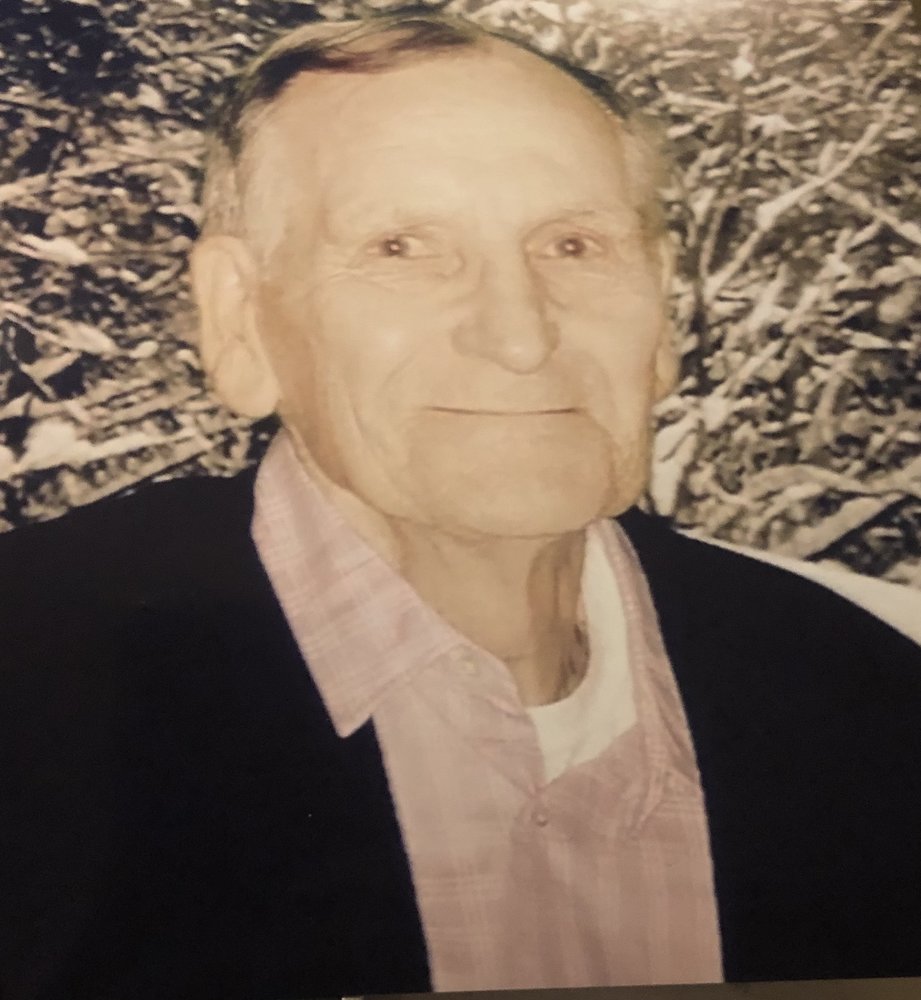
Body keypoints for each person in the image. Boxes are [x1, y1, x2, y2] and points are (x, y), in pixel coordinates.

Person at [2, 12, 921, 1000]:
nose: (520, 337)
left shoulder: (872, 705)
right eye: (401, 246)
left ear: (661, 313)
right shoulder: (32, 697)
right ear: (240, 319)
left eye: (573, 243)